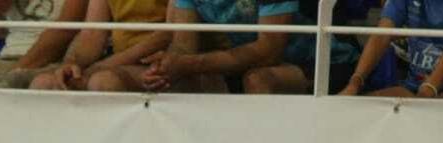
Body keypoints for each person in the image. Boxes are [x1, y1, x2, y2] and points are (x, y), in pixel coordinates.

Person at [95, 0, 358, 95]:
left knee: (258, 81)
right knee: (187, 82)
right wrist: (165, 66)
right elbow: (184, 47)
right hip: (248, 65)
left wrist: (187, 64)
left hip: (327, 62)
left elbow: (269, 50)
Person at [339, 0, 443, 98]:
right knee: (361, 109)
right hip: (414, 85)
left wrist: (427, 91)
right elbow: (382, 35)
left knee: (428, 117)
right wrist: (355, 82)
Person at [25, 0, 171, 92]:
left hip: (159, 64)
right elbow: (93, 34)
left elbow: (168, 35)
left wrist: (102, 66)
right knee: (45, 83)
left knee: (103, 82)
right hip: (116, 63)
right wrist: (72, 64)